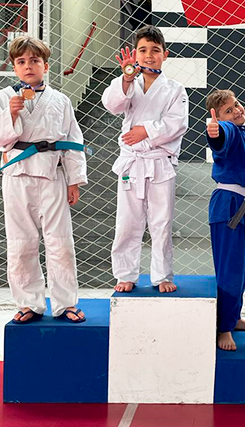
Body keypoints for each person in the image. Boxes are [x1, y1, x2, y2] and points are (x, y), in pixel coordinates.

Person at [0, 36, 88, 324]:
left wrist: (74, 180)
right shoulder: (4, 97)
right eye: (21, 62)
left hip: (52, 174)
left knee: (61, 242)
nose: (28, 66)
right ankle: (29, 302)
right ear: (14, 67)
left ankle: (66, 302)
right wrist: (10, 114)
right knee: (21, 243)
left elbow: (72, 141)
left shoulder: (62, 101)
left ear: (46, 65)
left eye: (34, 61)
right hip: (17, 175)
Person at [102, 25, 189, 293]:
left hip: (159, 163)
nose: (149, 55)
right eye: (143, 50)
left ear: (165, 54)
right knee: (128, 221)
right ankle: (126, 273)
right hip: (133, 162)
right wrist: (125, 80)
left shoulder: (175, 89)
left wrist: (145, 130)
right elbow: (112, 105)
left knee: (161, 222)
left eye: (155, 50)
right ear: (135, 55)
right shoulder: (129, 85)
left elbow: (178, 124)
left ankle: (162, 275)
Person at [206, 89, 245, 351]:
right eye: (228, 111)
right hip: (228, 205)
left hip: (243, 204)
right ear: (220, 118)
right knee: (229, 270)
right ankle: (223, 327)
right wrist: (216, 131)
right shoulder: (229, 131)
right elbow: (220, 141)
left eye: (237, 105)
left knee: (242, 270)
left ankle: (235, 316)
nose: (237, 111)